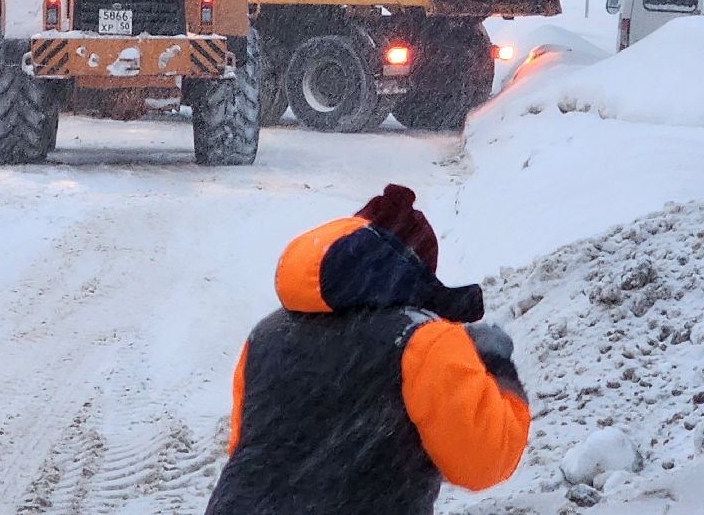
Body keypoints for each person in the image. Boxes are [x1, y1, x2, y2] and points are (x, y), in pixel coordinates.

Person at [205, 184, 530, 515]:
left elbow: (246, 445)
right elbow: (484, 461)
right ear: (410, 268)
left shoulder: (266, 336)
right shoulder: (422, 339)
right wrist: (495, 365)